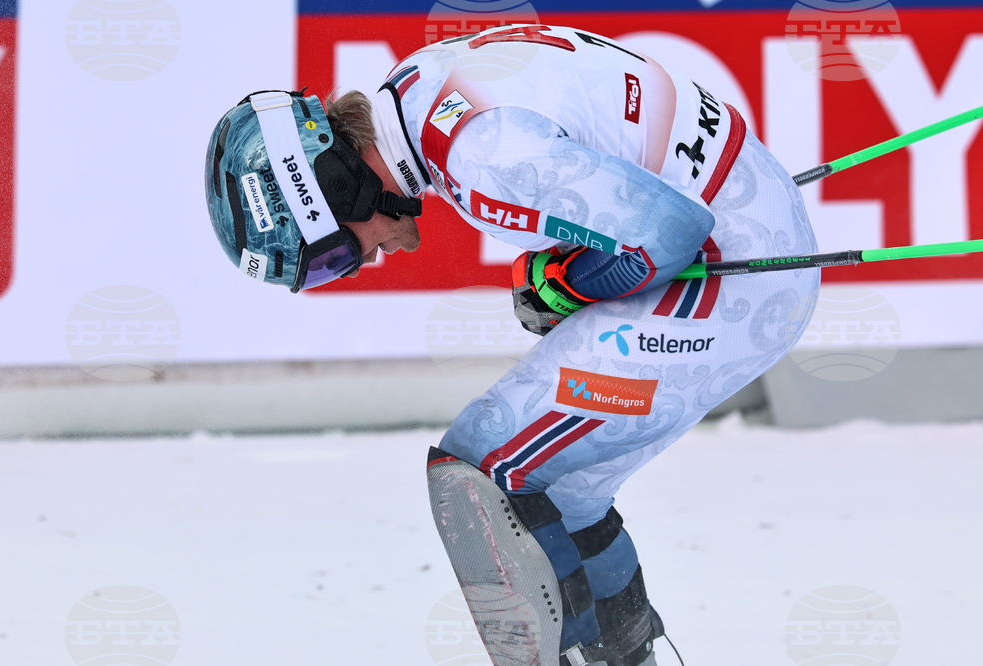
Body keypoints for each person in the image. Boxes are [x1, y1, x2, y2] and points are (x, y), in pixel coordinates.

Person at [205, 24, 819, 666]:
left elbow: (670, 231)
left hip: (737, 284)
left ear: (338, 188)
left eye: (335, 254)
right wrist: (568, 271)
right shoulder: (418, 88)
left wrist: (568, 286)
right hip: (753, 250)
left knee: (485, 470)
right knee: (561, 492)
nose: (365, 262)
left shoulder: (483, 157)